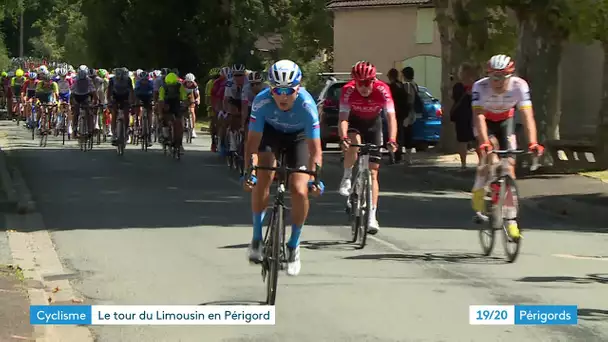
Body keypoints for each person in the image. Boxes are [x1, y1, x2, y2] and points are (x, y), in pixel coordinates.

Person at [242, 59, 324, 276]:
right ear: (271, 89)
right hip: (270, 134)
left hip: (298, 138)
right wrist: (249, 171)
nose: (283, 96)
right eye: (278, 90)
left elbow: (315, 149)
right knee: (264, 174)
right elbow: (252, 143)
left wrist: (317, 178)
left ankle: (293, 245)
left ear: (298, 88)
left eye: (289, 90)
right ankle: (257, 238)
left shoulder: (307, 105)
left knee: (299, 189)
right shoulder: (261, 102)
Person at [471, 54, 544, 240]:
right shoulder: (480, 86)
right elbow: (478, 117)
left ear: (510, 75)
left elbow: (528, 117)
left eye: (502, 76)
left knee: (509, 167)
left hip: (506, 121)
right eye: (494, 76)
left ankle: (511, 221)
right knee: (490, 156)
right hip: (485, 121)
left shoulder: (519, 86)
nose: (497, 81)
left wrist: (533, 142)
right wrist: (484, 141)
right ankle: (479, 193)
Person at [337, 61, 398, 234]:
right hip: (355, 122)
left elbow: (391, 117)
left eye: (367, 82)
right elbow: (343, 118)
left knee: (373, 172)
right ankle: (347, 176)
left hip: (374, 124)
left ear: (373, 81)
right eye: (359, 83)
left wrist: (392, 139)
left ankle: (372, 216)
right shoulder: (347, 90)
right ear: (354, 82)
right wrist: (342, 138)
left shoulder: (382, 89)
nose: (363, 87)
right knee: (353, 143)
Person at [450, 63, 478, 170]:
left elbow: (453, 98)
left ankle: (464, 164)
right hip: (469, 115)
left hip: (467, 116)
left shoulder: (461, 86)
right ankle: (473, 163)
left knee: (466, 141)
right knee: (471, 140)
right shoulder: (474, 85)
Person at [158, 72, 187, 150]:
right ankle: (165, 135)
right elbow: (161, 101)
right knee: (164, 119)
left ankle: (179, 143)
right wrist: (161, 113)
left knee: (179, 124)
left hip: (176, 103)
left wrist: (184, 107)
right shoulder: (163, 88)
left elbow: (184, 98)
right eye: (170, 86)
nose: (172, 88)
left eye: (173, 86)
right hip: (166, 103)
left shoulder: (180, 87)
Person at [108, 67, 135, 145]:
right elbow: (109, 92)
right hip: (115, 96)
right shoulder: (112, 80)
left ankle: (126, 132)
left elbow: (131, 91)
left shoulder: (128, 80)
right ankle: (114, 133)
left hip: (125, 96)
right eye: (118, 78)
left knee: (126, 114)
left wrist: (131, 102)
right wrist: (109, 101)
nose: (119, 79)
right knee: (114, 113)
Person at [70, 66, 97, 137]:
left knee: (89, 112)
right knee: (76, 113)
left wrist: (96, 101)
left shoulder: (88, 79)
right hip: (77, 96)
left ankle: (90, 129)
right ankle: (75, 129)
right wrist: (72, 103)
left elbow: (93, 91)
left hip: (85, 96)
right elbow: (72, 92)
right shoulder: (75, 79)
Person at [134, 70, 154, 146]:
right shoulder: (138, 83)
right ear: (140, 79)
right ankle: (137, 122)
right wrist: (135, 103)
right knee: (137, 107)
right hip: (140, 97)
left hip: (148, 97)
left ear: (148, 79)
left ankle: (150, 126)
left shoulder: (151, 83)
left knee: (149, 111)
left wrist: (154, 101)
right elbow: (135, 94)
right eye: (142, 80)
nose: (144, 81)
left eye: (146, 80)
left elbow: (154, 93)